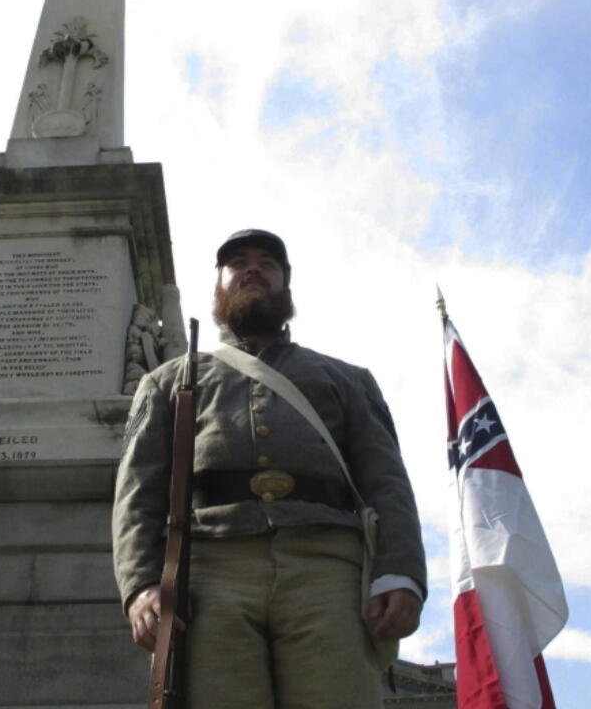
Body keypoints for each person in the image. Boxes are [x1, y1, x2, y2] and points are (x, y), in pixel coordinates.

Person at [112, 229, 426, 709]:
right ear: (219, 284)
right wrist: (141, 585)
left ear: (287, 285)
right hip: (210, 572)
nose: (253, 269)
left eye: (267, 263)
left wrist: (400, 573)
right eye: (238, 262)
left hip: (329, 570)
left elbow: (386, 481)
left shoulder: (347, 379)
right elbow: (139, 490)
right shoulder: (168, 382)